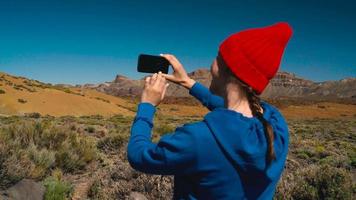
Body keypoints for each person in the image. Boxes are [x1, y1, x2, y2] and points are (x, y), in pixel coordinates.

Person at [127, 22, 293, 199]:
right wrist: (187, 82)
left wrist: (147, 105)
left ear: (226, 68)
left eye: (218, 56)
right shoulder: (275, 123)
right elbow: (232, 111)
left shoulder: (198, 139)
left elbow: (139, 156)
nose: (211, 64)